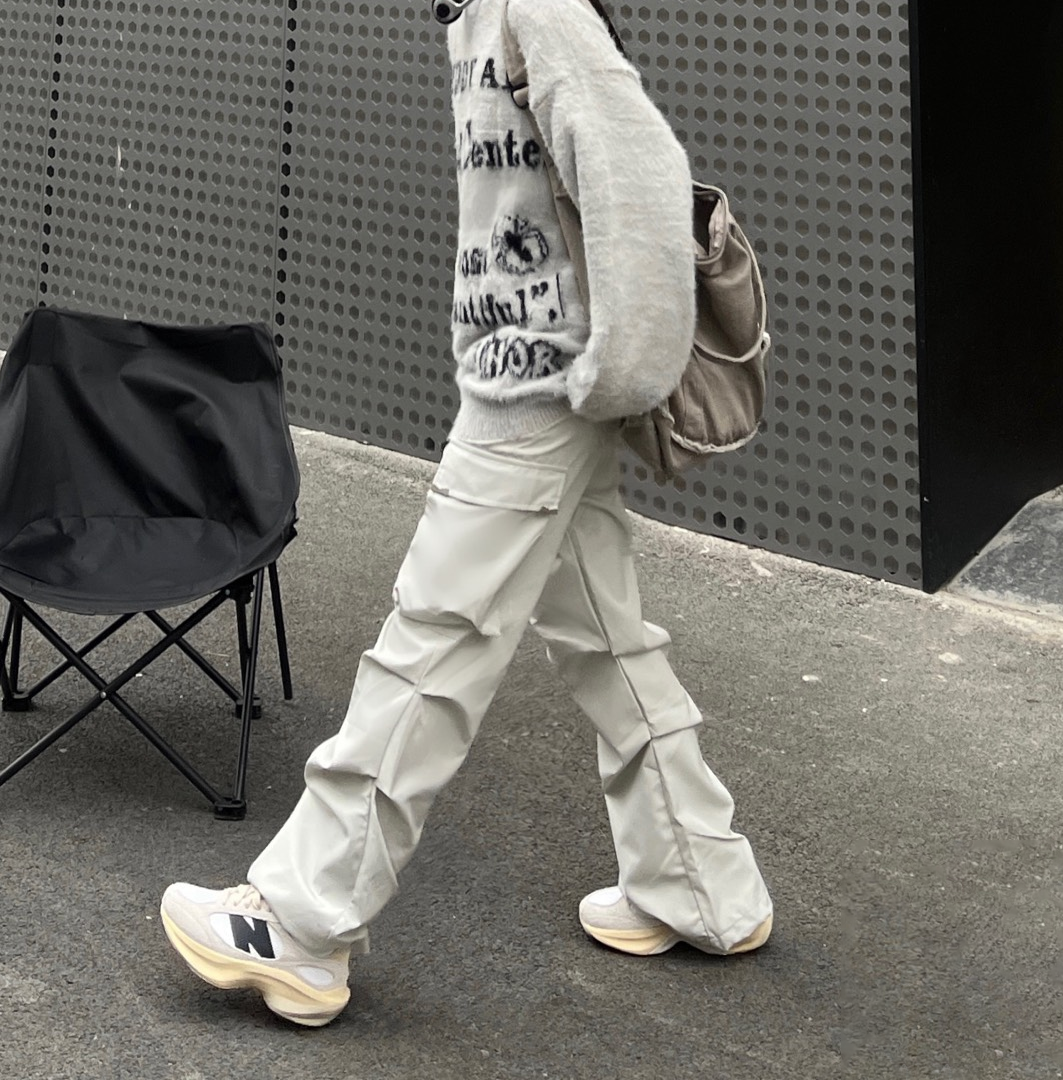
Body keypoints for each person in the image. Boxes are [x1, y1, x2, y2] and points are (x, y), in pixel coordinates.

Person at [159, 0, 772, 1028]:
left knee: (432, 645)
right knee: (609, 643)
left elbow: (641, 169)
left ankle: (302, 926)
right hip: (537, 386)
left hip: (536, 394)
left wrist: (616, 375)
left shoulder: (535, 8)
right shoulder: (479, 15)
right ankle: (705, 887)